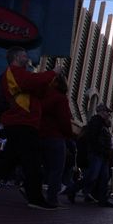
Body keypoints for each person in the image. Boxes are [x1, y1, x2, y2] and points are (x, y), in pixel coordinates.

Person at [0, 46, 58, 210]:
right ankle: (35, 197)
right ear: (17, 57)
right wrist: (53, 73)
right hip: (22, 121)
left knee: (10, 159)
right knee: (33, 160)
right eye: (25, 55)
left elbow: (37, 87)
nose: (27, 57)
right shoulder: (13, 72)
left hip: (22, 121)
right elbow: (33, 82)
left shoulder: (18, 73)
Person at [36, 72, 73, 207]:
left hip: (40, 134)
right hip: (55, 137)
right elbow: (64, 120)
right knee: (56, 169)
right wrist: (68, 135)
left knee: (42, 166)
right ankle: (52, 198)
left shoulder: (42, 96)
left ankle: (32, 191)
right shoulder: (60, 98)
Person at [70, 104, 113, 207]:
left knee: (103, 177)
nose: (108, 114)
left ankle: (102, 199)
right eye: (106, 112)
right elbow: (93, 139)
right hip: (97, 154)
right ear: (101, 112)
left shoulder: (102, 124)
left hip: (102, 154)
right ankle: (72, 190)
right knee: (92, 176)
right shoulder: (96, 122)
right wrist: (99, 149)